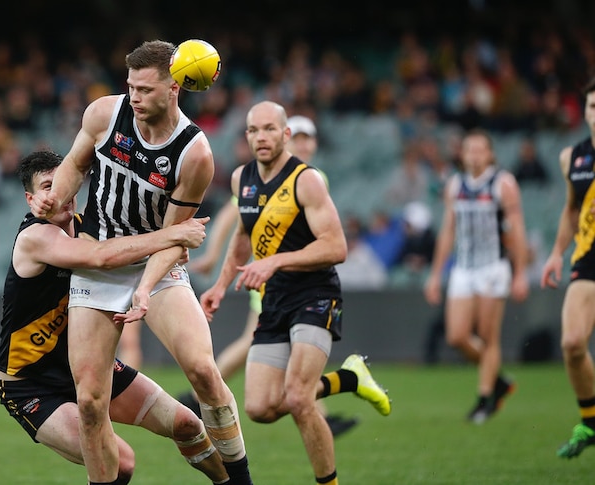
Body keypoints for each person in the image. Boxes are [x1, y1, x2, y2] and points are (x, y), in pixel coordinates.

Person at [30, 40, 254, 485]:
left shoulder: (194, 154)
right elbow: (75, 162)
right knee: (91, 401)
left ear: (174, 88)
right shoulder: (103, 114)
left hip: (158, 263)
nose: (134, 97)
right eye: (130, 86)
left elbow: (174, 238)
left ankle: (239, 481)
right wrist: (57, 199)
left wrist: (146, 288)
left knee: (204, 373)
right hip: (97, 263)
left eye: (145, 90)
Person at [0, 150, 231, 483]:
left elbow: (135, 248)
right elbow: (102, 257)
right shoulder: (35, 237)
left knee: (188, 424)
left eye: (61, 182)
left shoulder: (88, 228)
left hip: (88, 365)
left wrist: (173, 249)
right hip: (32, 385)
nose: (58, 192)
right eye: (47, 186)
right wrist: (174, 234)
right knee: (121, 461)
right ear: (30, 198)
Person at [200, 101, 391, 485]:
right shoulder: (243, 178)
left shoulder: (307, 180)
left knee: (300, 398)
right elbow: (242, 235)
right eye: (254, 130)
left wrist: (274, 261)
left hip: (315, 294)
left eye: (270, 129)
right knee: (260, 407)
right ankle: (350, 379)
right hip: (275, 300)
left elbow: (336, 247)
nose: (261, 137)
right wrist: (220, 285)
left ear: (286, 135)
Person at [183, 115, 359, 438]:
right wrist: (214, 259)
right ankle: (201, 395)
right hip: (266, 279)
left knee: (284, 357)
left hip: (295, 279)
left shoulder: (311, 178)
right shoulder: (263, 178)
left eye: (309, 139)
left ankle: (315, 410)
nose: (304, 145)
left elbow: (330, 242)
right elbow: (234, 216)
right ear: (286, 140)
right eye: (299, 139)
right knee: (263, 349)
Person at [424, 128, 530, 424]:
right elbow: (448, 231)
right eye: (468, 149)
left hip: (493, 267)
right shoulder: (454, 185)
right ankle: (497, 380)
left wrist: (520, 272)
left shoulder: (503, 183)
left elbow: (517, 229)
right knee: (456, 335)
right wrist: (435, 275)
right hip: (464, 267)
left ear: (490, 154)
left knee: (488, 335)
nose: (473, 155)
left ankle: (486, 398)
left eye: (479, 149)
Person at [541, 77, 595, 459]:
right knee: (572, 343)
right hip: (588, 258)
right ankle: (591, 421)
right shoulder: (571, 157)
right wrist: (556, 253)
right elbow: (571, 209)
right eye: (593, 106)